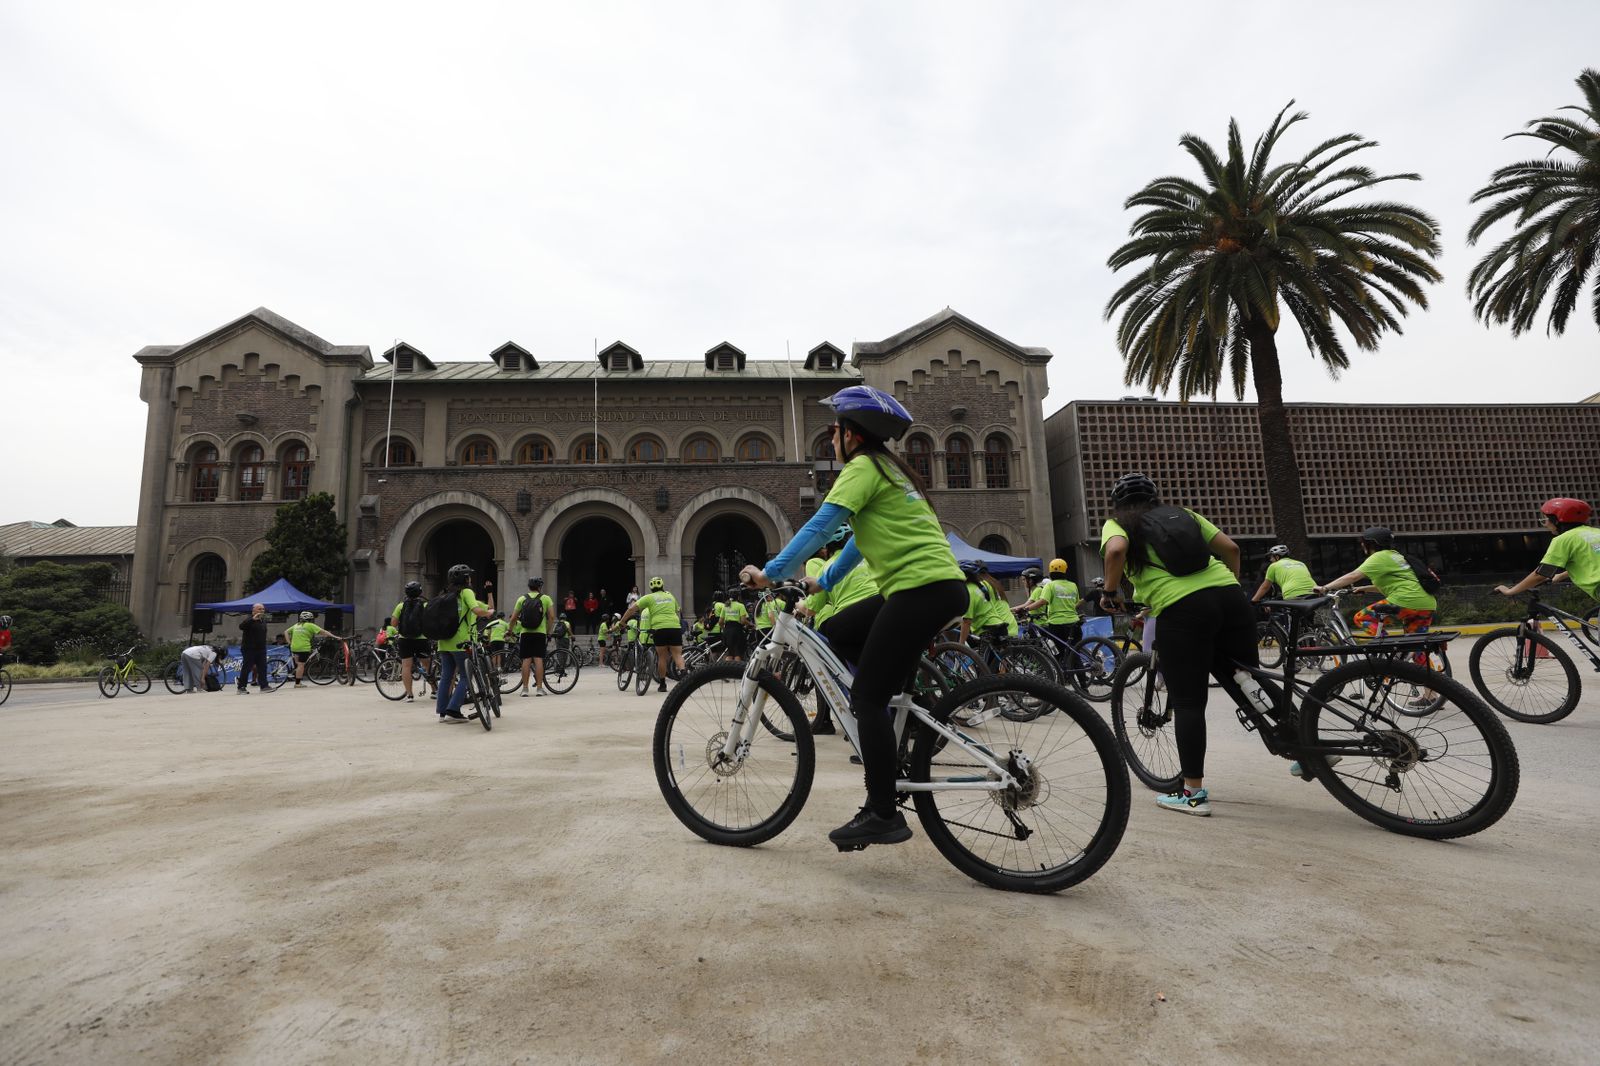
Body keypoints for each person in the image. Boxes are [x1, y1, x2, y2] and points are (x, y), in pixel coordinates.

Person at [742, 384, 967, 851]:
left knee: (865, 698)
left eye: (835, 430)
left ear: (852, 434)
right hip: (935, 589)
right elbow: (857, 542)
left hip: (917, 591)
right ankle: (895, 731)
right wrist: (821, 583)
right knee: (837, 631)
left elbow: (821, 525)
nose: (832, 437)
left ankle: (882, 812)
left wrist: (770, 573)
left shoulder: (863, 467)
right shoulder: (892, 471)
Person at [1099, 472, 1254, 818]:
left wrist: (1110, 591)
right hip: (1231, 598)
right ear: (1155, 498)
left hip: (1182, 610)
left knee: (1188, 702)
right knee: (1250, 678)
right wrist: (1229, 584)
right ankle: (1307, 751)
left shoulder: (1117, 525)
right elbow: (1231, 548)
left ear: (1118, 505)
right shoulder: (1184, 513)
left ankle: (1193, 794)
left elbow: (1116, 550)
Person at [801, 523, 878, 735]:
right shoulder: (867, 559)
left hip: (850, 619)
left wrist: (800, 605)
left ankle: (862, 712)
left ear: (827, 548)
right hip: (883, 610)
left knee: (852, 674)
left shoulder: (827, 566)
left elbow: (813, 606)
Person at [1313, 527, 1436, 637]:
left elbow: (1353, 576)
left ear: (1371, 544)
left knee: (1362, 618)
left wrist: (1325, 587)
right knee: (1416, 646)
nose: (1361, 545)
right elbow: (1396, 585)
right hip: (1426, 604)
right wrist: (1365, 588)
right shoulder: (1397, 556)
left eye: (1363, 543)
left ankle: (1386, 646)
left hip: (1406, 601)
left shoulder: (1378, 557)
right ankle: (1419, 662)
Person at [1495, 498, 1599, 603]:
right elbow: (1591, 563)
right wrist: (1561, 575)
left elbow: (1541, 575)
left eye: (1545, 520)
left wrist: (1510, 591)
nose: (1546, 524)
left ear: (1557, 521)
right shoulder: (1596, 533)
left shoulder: (1563, 539)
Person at [435, 565, 495, 721]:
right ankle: (453, 710)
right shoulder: (466, 592)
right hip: (462, 641)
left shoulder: (445, 593)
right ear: (466, 578)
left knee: (446, 676)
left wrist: (487, 605)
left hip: (444, 641)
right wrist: (488, 612)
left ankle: (442, 712)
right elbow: (479, 610)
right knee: (466, 676)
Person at [619, 576, 686, 692]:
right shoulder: (670, 596)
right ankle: (685, 678)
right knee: (677, 655)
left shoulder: (648, 598)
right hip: (674, 627)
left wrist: (622, 621)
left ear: (651, 588)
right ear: (662, 586)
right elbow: (678, 610)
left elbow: (631, 609)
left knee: (662, 657)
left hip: (659, 628)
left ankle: (663, 685)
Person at [1016, 557, 1083, 656]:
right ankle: (1078, 670)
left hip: (1057, 624)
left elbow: (1043, 601)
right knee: (1074, 654)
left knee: (1057, 654)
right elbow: (1076, 603)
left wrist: (1026, 609)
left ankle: (1060, 670)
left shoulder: (1050, 586)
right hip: (1074, 622)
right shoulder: (1073, 585)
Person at [511, 577, 556, 697]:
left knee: (526, 660)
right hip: (540, 633)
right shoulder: (546, 598)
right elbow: (552, 617)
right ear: (539, 587)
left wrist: (509, 630)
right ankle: (539, 689)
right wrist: (548, 631)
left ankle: (525, 689)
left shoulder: (521, 598)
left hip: (525, 632)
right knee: (538, 660)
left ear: (529, 587)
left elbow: (513, 618)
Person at [391, 581, 434, 702]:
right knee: (427, 665)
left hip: (405, 640)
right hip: (422, 639)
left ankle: (409, 695)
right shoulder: (425, 605)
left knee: (406, 666)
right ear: (420, 592)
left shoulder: (400, 606)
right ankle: (434, 690)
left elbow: (393, 624)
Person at [284, 611, 337, 687]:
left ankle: (297, 680)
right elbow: (324, 632)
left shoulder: (296, 625)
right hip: (303, 648)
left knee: (298, 665)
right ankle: (297, 684)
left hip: (294, 647)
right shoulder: (310, 625)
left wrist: (289, 642)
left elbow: (286, 632)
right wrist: (336, 637)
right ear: (310, 619)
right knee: (301, 665)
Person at [1251, 544, 1319, 603]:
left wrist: (1254, 600)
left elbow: (1265, 587)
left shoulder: (1273, 566)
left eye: (1271, 557)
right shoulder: (1301, 563)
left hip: (1293, 595)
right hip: (1314, 592)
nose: (1270, 560)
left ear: (1277, 557)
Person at [236, 603, 270, 694]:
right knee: (247, 668)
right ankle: (241, 687)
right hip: (249, 648)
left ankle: (264, 686)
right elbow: (241, 627)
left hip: (261, 649)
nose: (261, 611)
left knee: (263, 667)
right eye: (259, 609)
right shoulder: (249, 619)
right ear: (253, 610)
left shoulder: (263, 620)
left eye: (263, 609)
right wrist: (252, 619)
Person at [720, 594, 750, 662]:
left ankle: (727, 671)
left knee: (730, 653)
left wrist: (724, 629)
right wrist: (750, 624)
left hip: (727, 630)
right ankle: (737, 672)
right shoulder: (740, 605)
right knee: (737, 653)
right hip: (737, 630)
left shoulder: (726, 605)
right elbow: (743, 621)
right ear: (738, 597)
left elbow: (720, 621)